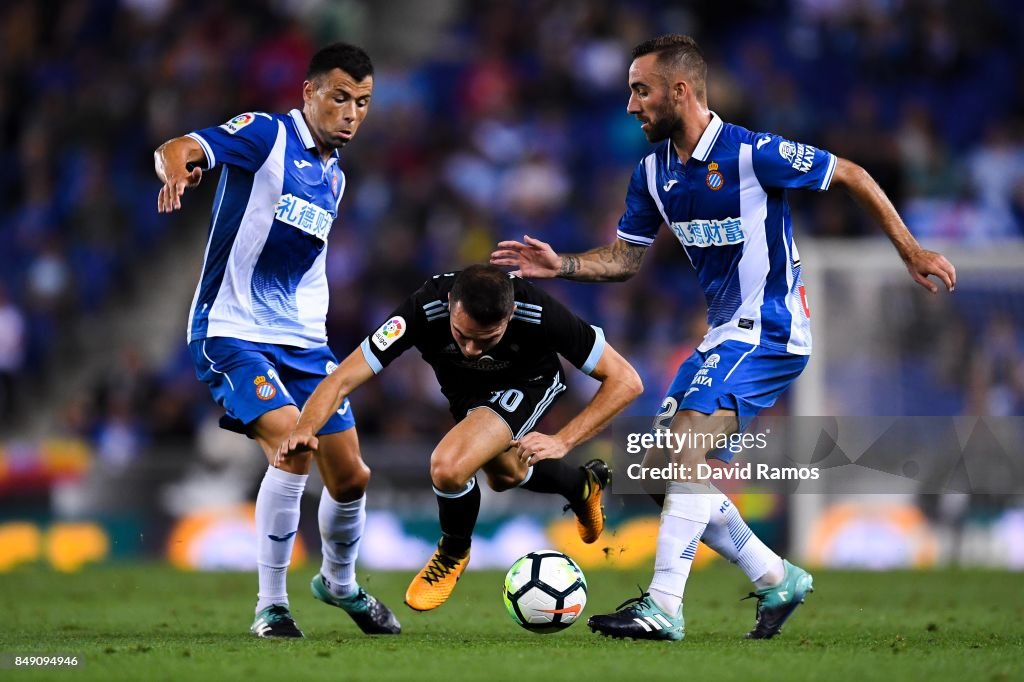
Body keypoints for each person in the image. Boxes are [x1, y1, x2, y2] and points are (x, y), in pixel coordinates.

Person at [491, 34, 956, 641]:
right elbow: (627, 260)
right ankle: (776, 576)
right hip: (723, 333)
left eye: (641, 90)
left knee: (684, 448)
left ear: (679, 91)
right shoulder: (653, 172)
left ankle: (664, 605)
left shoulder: (751, 152)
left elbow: (852, 174)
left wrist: (910, 248)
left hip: (770, 325)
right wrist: (565, 266)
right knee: (658, 467)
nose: (631, 105)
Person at [154, 42, 400, 638]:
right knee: (295, 445)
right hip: (232, 332)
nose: (351, 113)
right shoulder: (267, 134)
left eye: (363, 103)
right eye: (340, 97)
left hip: (305, 346)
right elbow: (181, 146)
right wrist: (179, 170)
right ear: (308, 93)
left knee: (353, 477)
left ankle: (339, 584)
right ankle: (272, 606)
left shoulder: (334, 176)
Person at [276, 265, 643, 611]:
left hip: (525, 385)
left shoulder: (540, 312)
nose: (471, 349)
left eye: (487, 339)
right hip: (466, 395)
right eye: (462, 335)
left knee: (448, 466)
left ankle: (452, 552)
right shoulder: (423, 308)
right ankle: (582, 485)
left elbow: (626, 380)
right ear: (451, 304)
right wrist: (305, 428)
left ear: (511, 313)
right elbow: (342, 378)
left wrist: (563, 440)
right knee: (505, 475)